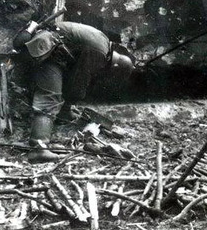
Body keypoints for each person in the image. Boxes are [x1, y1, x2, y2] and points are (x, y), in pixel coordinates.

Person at [14, 21, 134, 163]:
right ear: (114, 66)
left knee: (57, 90)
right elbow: (77, 83)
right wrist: (76, 98)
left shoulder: (103, 42)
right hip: (46, 51)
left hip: (47, 47)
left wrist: (67, 109)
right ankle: (38, 148)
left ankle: (62, 114)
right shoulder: (100, 54)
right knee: (50, 98)